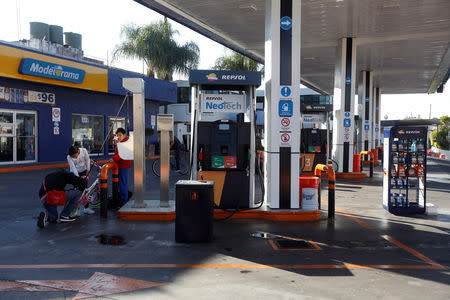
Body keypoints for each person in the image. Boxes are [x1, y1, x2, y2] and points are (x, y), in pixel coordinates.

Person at [67, 145, 95, 214]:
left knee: (85, 190)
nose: (73, 157)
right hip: (74, 174)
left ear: (78, 152)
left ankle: (86, 208)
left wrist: (88, 171)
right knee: (76, 191)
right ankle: (76, 210)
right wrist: (78, 179)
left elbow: (87, 160)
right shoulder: (69, 157)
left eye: (74, 156)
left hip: (83, 172)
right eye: (72, 156)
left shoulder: (84, 151)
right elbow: (73, 168)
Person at [110, 128, 131, 207]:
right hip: (121, 165)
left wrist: (113, 159)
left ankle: (124, 201)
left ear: (124, 135)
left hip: (124, 166)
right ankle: (122, 199)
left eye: (120, 135)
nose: (119, 137)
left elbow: (122, 154)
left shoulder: (125, 143)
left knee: (123, 184)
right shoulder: (122, 142)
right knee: (121, 183)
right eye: (117, 135)